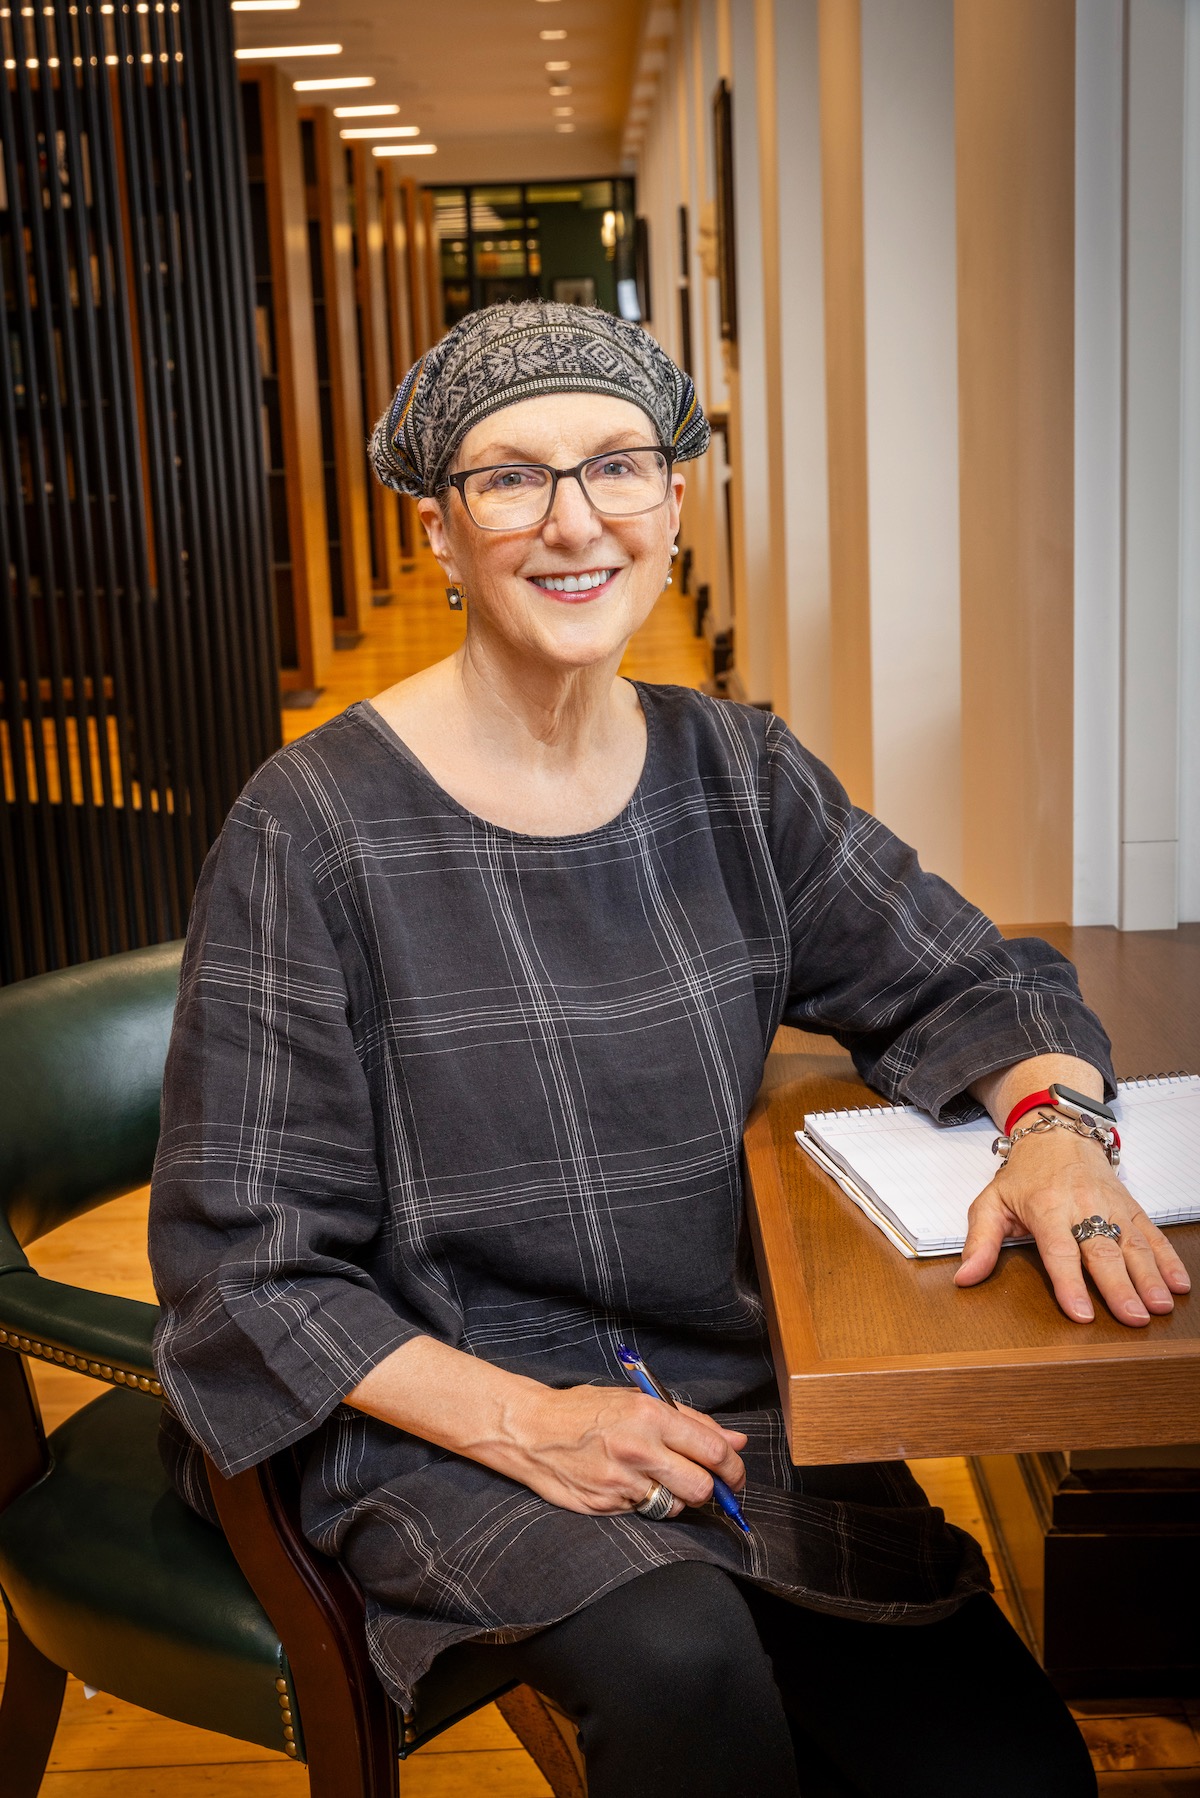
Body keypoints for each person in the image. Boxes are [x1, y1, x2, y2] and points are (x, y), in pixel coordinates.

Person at [149, 301, 1187, 1798]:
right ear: (439, 528)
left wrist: (1054, 1138)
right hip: (441, 1399)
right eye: (511, 477)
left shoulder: (736, 771)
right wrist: (528, 1421)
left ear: (675, 505)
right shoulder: (310, 829)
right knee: (688, 1672)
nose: (573, 521)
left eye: (616, 466)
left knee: (1011, 1766)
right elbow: (246, 1264)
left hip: (721, 1390)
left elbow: (974, 976)